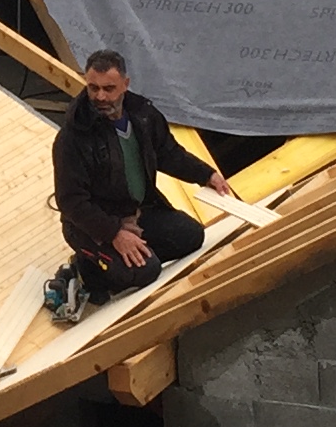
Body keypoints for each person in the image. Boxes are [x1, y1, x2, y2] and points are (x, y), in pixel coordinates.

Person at [48, 48, 233, 322]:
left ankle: (126, 256)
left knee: (191, 236)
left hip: (136, 211)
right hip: (92, 227)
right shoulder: (73, 138)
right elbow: (71, 201)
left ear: (126, 84)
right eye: (93, 88)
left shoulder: (143, 116)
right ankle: (89, 268)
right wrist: (115, 233)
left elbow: (168, 153)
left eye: (109, 89)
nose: (100, 97)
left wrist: (206, 174)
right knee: (146, 271)